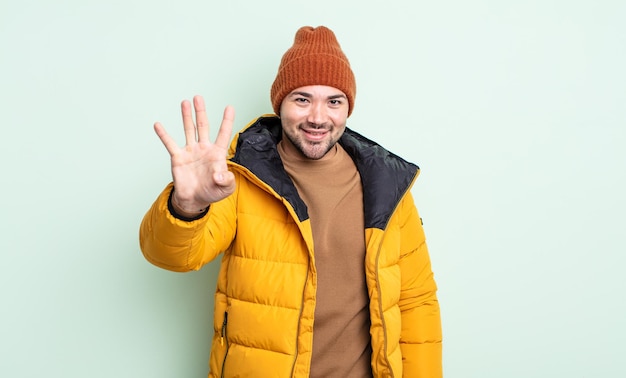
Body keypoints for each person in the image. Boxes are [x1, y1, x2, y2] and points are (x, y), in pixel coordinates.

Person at [139, 25, 442, 378]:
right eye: (302, 99)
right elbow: (173, 257)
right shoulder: (240, 175)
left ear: (348, 108)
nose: (317, 117)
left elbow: (416, 301)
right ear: (279, 102)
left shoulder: (388, 186)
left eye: (334, 101)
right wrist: (187, 206)